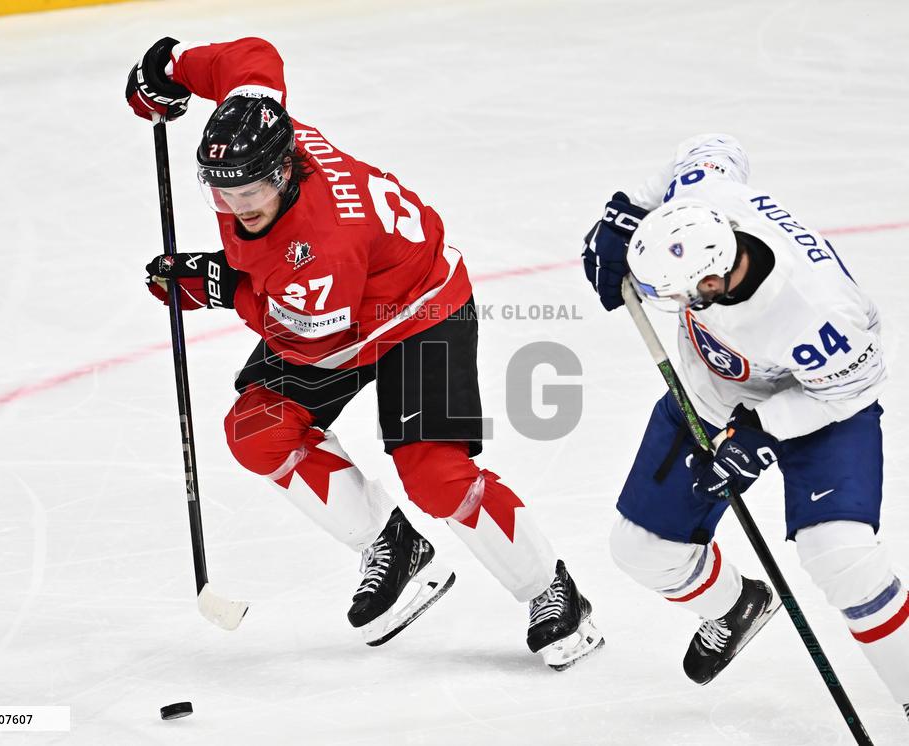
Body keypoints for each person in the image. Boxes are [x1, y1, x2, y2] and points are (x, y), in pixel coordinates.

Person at [125, 36, 603, 668]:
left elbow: (307, 339)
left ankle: (553, 591)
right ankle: (392, 545)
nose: (237, 207)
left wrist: (219, 284)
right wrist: (172, 69)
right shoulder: (264, 129)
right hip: (339, 306)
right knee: (258, 428)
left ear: (283, 172)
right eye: (223, 192)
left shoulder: (320, 245)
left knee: (436, 477)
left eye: (250, 194)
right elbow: (251, 57)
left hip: (416, 311)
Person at [582, 133, 909, 718]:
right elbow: (712, 145)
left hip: (824, 408)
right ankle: (737, 606)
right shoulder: (708, 198)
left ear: (711, 283)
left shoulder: (819, 311)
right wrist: (626, 212)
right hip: (714, 398)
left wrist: (761, 429)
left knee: (843, 559)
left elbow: (855, 386)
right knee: (640, 550)